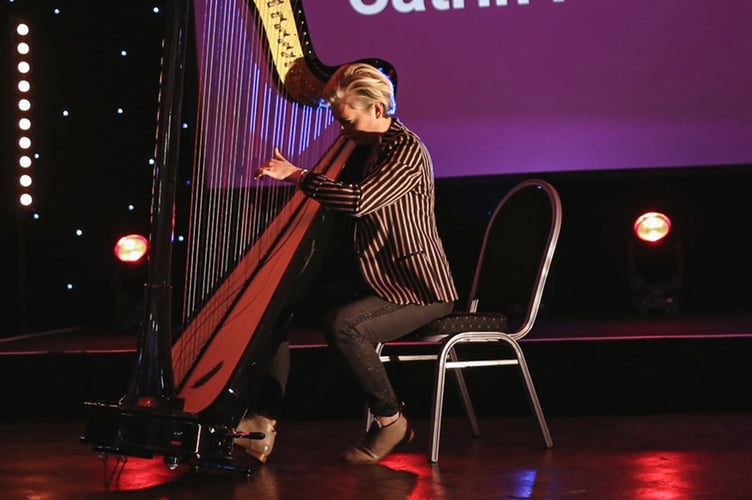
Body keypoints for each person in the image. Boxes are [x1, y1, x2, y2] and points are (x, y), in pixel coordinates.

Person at [234, 62, 458, 465]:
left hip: (417, 287)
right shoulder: (369, 146)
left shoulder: (406, 152)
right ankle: (262, 423)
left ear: (377, 109)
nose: (341, 130)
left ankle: (391, 421)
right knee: (275, 307)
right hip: (378, 279)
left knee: (345, 325)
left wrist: (298, 175)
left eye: (347, 120)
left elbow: (359, 201)